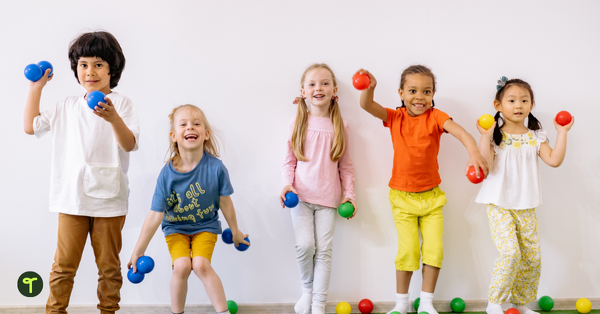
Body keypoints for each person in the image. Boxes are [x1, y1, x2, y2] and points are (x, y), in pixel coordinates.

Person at [23, 31, 139, 314]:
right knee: (63, 266)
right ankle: (55, 310)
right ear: (76, 70)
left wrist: (112, 117)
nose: (90, 71)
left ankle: (108, 310)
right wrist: (36, 88)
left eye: (99, 64)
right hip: (71, 199)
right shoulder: (66, 106)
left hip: (109, 201)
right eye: (83, 65)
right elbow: (30, 126)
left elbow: (129, 143)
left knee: (109, 267)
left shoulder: (121, 104)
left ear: (113, 69)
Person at [356, 65, 488, 314]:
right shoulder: (395, 117)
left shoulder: (437, 117)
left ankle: (426, 304)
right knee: (407, 251)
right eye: (413, 90)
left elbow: (461, 132)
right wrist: (369, 89)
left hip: (432, 199)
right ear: (401, 93)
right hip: (402, 198)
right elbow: (366, 106)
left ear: (433, 94)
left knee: (434, 250)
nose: (420, 96)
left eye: (426, 91)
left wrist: (474, 153)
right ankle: (401, 304)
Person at [129, 104, 247, 314]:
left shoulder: (216, 168)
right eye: (183, 124)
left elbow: (226, 203)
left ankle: (223, 312)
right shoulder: (167, 174)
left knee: (201, 265)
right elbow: (156, 214)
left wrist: (235, 231)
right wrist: (139, 250)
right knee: (182, 266)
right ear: (174, 135)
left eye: (196, 124)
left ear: (206, 134)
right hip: (176, 229)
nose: (190, 128)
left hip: (205, 226)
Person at [475, 77, 574, 314]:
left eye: (524, 100)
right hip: (499, 204)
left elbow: (554, 160)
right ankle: (494, 303)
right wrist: (484, 136)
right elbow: (485, 165)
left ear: (531, 105)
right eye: (511, 100)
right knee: (510, 253)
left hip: (526, 205)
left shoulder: (536, 136)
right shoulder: (496, 135)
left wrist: (562, 132)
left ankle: (520, 303)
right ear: (498, 105)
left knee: (531, 258)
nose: (518, 105)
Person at [281, 63, 356, 314]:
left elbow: (346, 166)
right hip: (299, 197)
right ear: (303, 91)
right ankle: (308, 291)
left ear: (334, 90)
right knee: (305, 246)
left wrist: (350, 195)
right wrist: (286, 185)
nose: (318, 88)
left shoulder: (341, 126)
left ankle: (319, 305)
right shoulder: (297, 122)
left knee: (324, 251)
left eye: (324, 83)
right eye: (312, 84)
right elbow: (289, 161)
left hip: (328, 199)